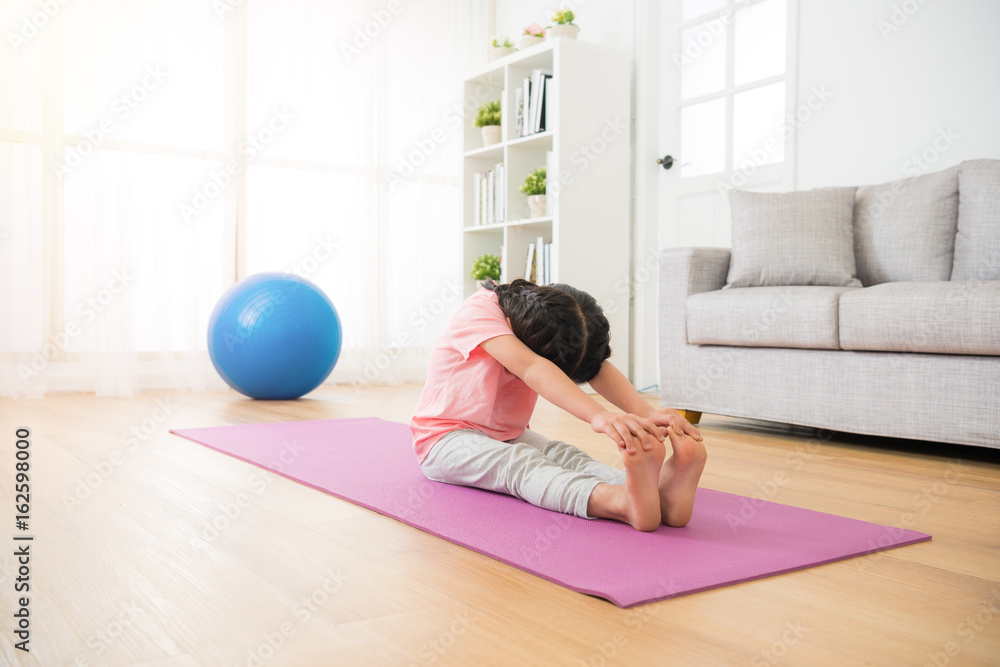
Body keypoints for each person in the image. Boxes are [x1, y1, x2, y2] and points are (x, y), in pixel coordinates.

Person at [409, 279, 707, 531]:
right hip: (443, 440)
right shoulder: (477, 314)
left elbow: (596, 369)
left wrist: (649, 413)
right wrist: (599, 416)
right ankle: (617, 502)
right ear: (517, 331)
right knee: (521, 465)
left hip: (507, 433)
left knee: (564, 455)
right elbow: (532, 368)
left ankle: (657, 494)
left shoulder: (544, 318)